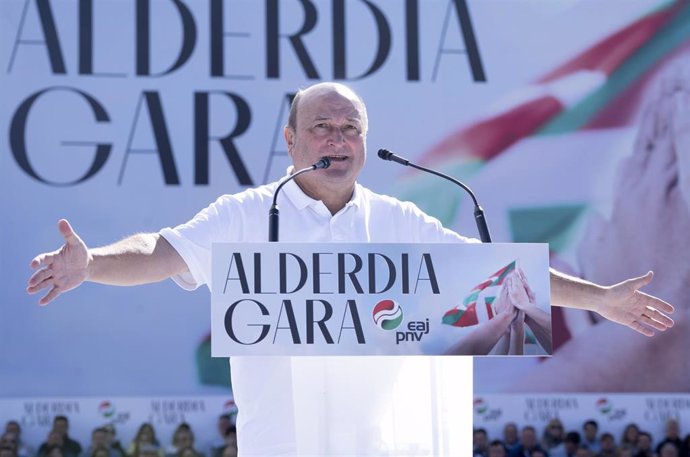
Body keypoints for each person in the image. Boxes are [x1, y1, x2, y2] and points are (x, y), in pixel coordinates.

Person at [27, 82, 675, 455]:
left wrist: (603, 299)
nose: (337, 138)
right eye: (321, 126)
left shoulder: (398, 220)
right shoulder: (250, 214)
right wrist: (94, 264)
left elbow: (501, 276)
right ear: (290, 139)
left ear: (365, 142)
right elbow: (162, 251)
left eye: (350, 127)